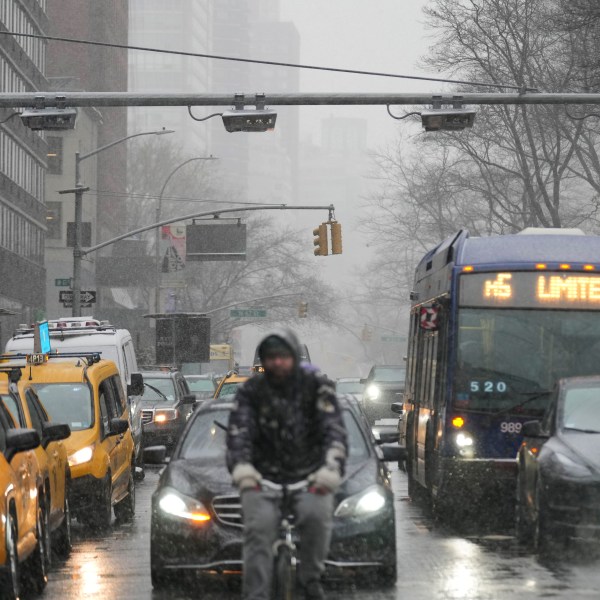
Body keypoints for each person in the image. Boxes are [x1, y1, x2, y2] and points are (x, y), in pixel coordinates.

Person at [226, 330, 347, 600]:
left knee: (317, 517)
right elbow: (239, 432)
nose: (277, 363)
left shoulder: (317, 386)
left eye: (283, 357)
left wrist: (330, 469)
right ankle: (256, 593)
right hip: (261, 477)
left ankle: (310, 579)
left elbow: (334, 431)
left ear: (294, 358)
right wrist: (243, 469)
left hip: (310, 476)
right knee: (258, 532)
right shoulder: (251, 392)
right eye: (270, 357)